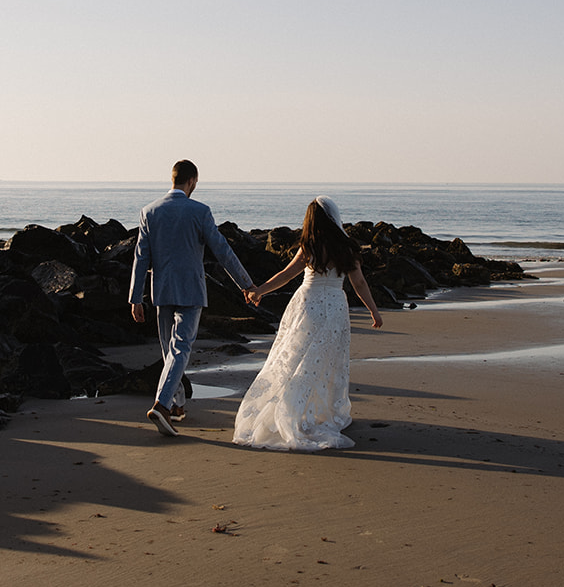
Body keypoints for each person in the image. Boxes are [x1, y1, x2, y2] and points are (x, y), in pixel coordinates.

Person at [232, 196, 383, 451]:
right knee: (326, 360)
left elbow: (286, 275)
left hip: (307, 303)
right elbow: (359, 284)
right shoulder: (346, 248)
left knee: (296, 357)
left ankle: (292, 408)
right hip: (334, 306)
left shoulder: (309, 246)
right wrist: (374, 311)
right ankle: (318, 411)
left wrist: (259, 291)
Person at [129, 159, 256, 438]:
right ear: (192, 181)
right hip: (190, 291)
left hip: (161, 291)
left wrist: (135, 298)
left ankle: (177, 405)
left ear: (172, 179)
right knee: (180, 349)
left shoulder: (149, 212)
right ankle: (162, 406)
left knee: (169, 351)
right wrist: (246, 284)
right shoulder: (200, 211)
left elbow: (141, 259)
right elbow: (222, 251)